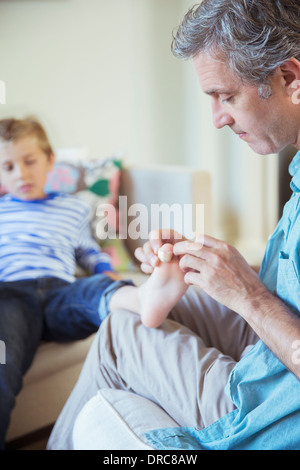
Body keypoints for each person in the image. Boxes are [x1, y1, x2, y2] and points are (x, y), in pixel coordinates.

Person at [48, 0, 300, 450]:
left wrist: (247, 292)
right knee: (133, 313)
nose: (218, 118)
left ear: (289, 78)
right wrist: (211, 268)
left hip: (274, 405)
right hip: (269, 354)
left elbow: (264, 302)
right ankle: (150, 297)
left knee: (121, 333)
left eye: (226, 96)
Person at [0, 117, 187, 449]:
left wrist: (108, 271)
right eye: (8, 166)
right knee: (3, 364)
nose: (21, 174)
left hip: (59, 289)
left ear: (49, 161)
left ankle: (142, 299)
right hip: (10, 293)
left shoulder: (72, 208)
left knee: (94, 291)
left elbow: (86, 250)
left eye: (29, 162)